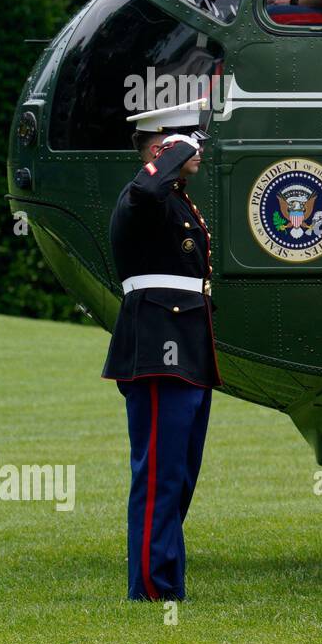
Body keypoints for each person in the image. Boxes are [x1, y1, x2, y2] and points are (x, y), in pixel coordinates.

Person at [101, 101, 221, 601]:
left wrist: (181, 147)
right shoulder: (146, 194)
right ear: (160, 149)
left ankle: (165, 577)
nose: (198, 149)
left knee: (180, 474)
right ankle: (152, 587)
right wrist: (177, 150)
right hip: (158, 344)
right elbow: (146, 185)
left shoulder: (172, 199)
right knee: (158, 473)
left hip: (186, 345)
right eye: (185, 141)